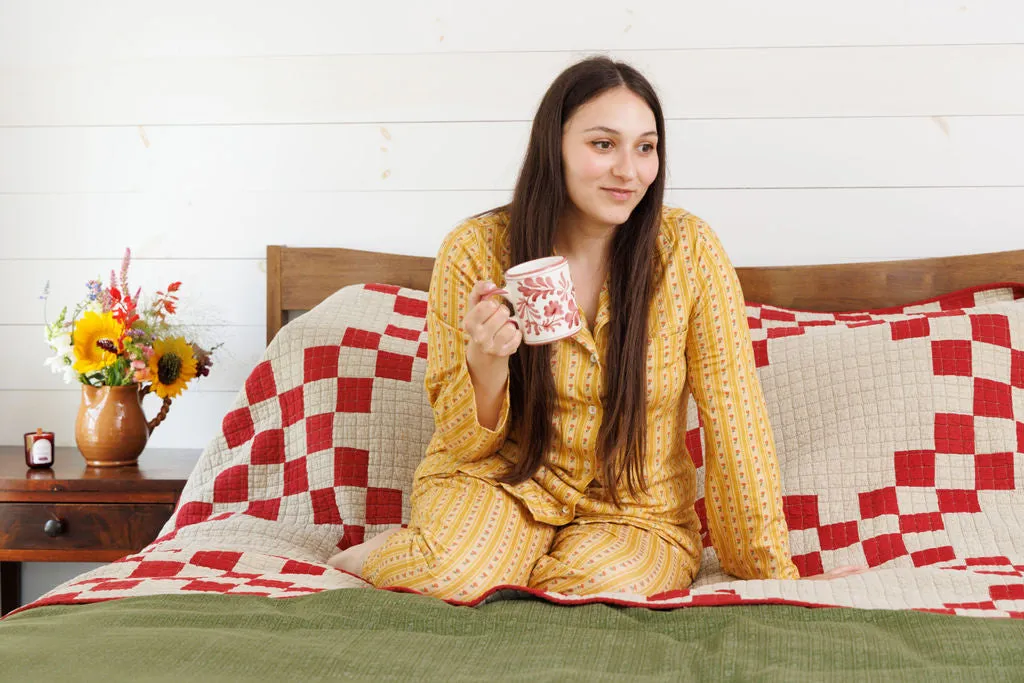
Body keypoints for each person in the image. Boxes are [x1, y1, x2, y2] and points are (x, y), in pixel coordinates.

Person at [328, 56, 865, 600]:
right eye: (603, 144)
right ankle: (404, 553)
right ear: (553, 146)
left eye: (646, 147)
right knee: (450, 574)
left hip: (637, 510)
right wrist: (487, 362)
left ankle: (514, 570)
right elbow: (465, 444)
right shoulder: (474, 249)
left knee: (595, 589)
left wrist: (769, 571)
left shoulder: (689, 251)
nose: (629, 171)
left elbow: (735, 414)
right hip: (505, 483)